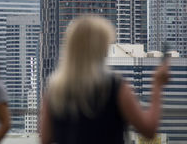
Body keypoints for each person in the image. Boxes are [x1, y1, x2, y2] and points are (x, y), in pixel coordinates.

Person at [40, 15, 170, 144]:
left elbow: (45, 139)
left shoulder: (55, 90)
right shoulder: (115, 87)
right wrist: (157, 85)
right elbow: (148, 130)